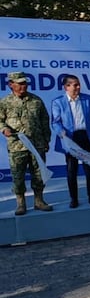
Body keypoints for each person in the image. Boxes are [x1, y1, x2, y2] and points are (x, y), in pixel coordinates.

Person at [0, 71, 53, 215]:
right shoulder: (4, 102)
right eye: (20, 83)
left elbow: (44, 120)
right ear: (11, 84)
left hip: (37, 145)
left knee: (39, 174)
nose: (24, 86)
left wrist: (46, 140)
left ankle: (39, 201)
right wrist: (4, 129)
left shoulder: (36, 100)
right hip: (17, 146)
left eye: (25, 83)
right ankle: (21, 204)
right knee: (18, 176)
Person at [50, 74, 90, 208]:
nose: (78, 87)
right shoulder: (58, 102)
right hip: (70, 138)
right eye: (75, 85)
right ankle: (74, 199)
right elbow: (55, 122)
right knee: (72, 170)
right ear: (66, 87)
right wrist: (62, 133)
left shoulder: (87, 99)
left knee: (89, 169)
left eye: (78, 85)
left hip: (85, 136)